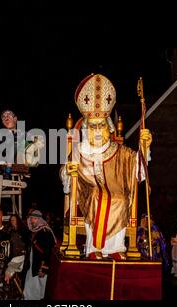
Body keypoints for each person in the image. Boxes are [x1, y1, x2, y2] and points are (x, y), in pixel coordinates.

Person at [60, 74, 152, 260]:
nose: (97, 131)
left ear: (109, 129)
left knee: (120, 199)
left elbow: (138, 170)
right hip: (87, 192)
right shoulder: (79, 150)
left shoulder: (121, 151)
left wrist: (145, 147)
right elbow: (65, 173)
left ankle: (116, 248)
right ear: (86, 130)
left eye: (101, 125)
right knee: (97, 196)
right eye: (92, 127)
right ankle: (94, 249)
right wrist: (68, 172)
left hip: (116, 193)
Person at [23, 210, 56, 300]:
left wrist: (44, 268)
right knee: (30, 291)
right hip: (32, 266)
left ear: (39, 219)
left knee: (42, 291)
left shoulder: (45, 231)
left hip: (41, 267)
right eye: (31, 218)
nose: (32, 220)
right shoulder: (33, 231)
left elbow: (49, 252)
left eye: (34, 218)